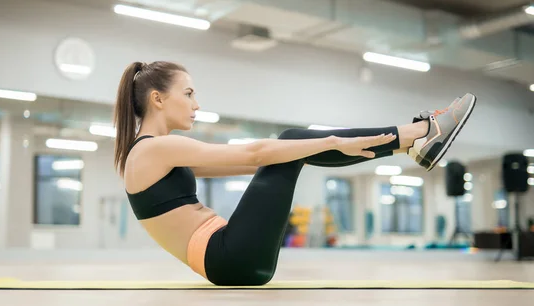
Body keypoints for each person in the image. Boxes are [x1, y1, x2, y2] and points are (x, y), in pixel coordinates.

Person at [113, 61, 477, 286]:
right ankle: (419, 133)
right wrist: (330, 140)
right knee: (289, 141)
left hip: (231, 260)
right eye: (188, 94)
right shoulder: (155, 148)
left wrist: (314, 148)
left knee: (290, 147)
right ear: (158, 99)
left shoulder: (152, 152)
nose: (196, 105)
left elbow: (255, 161)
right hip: (229, 257)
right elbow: (257, 152)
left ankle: (414, 139)